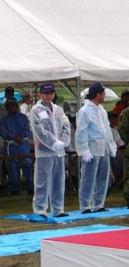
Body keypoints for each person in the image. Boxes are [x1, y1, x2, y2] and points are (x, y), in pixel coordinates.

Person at [30, 83, 71, 218]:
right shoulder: (36, 111)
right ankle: (40, 209)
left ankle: (58, 208)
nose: (49, 96)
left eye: (51, 93)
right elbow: (39, 131)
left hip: (59, 152)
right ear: (40, 95)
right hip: (44, 152)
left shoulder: (59, 110)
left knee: (59, 181)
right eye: (46, 93)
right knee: (42, 181)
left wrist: (63, 142)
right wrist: (54, 142)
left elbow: (66, 126)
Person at [75, 82, 117, 214]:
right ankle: (85, 204)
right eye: (103, 93)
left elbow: (107, 130)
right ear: (97, 95)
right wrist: (84, 149)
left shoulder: (102, 111)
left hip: (103, 146)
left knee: (103, 175)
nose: (104, 96)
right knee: (89, 176)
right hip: (92, 146)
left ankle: (98, 203)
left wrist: (111, 145)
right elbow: (81, 131)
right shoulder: (84, 111)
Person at [0, 97, 33, 194]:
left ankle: (31, 187)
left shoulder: (23, 117)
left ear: (17, 106)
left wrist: (20, 136)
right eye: (10, 106)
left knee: (28, 167)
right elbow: (3, 131)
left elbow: (27, 129)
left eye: (14, 105)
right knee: (12, 169)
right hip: (11, 147)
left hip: (23, 146)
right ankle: (14, 190)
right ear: (7, 108)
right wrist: (14, 136)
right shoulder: (3, 120)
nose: (12, 107)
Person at [108, 111, 126, 188]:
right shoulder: (103, 130)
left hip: (117, 153)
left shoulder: (116, 130)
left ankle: (118, 181)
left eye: (114, 118)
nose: (112, 119)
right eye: (110, 118)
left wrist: (117, 145)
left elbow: (120, 142)